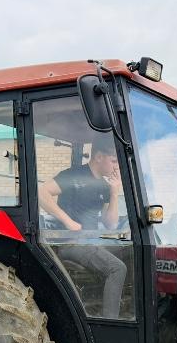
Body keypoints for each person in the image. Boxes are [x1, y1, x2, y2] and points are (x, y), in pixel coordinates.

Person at [38, 137, 127, 319]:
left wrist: (114, 192)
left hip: (92, 242)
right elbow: (41, 192)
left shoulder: (104, 185)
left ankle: (121, 307)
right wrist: (68, 221)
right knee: (117, 269)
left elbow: (110, 223)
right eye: (113, 161)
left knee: (133, 254)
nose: (116, 167)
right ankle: (111, 321)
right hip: (72, 243)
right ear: (99, 157)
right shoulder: (73, 175)